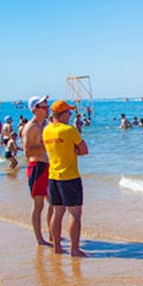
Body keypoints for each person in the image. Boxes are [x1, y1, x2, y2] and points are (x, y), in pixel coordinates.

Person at [43, 99, 89, 257]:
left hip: (53, 175)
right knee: (75, 214)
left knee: (57, 212)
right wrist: (74, 151)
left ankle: (57, 246)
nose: (70, 115)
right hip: (69, 176)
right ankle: (74, 249)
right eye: (68, 112)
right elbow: (84, 150)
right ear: (61, 114)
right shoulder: (69, 130)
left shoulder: (46, 130)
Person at [22, 95, 52, 246]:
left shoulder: (42, 125)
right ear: (35, 110)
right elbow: (26, 152)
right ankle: (39, 238)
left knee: (53, 202)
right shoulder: (31, 127)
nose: (47, 109)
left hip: (46, 166)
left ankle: (52, 233)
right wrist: (47, 145)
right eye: (44, 107)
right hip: (36, 167)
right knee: (38, 205)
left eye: (47, 106)